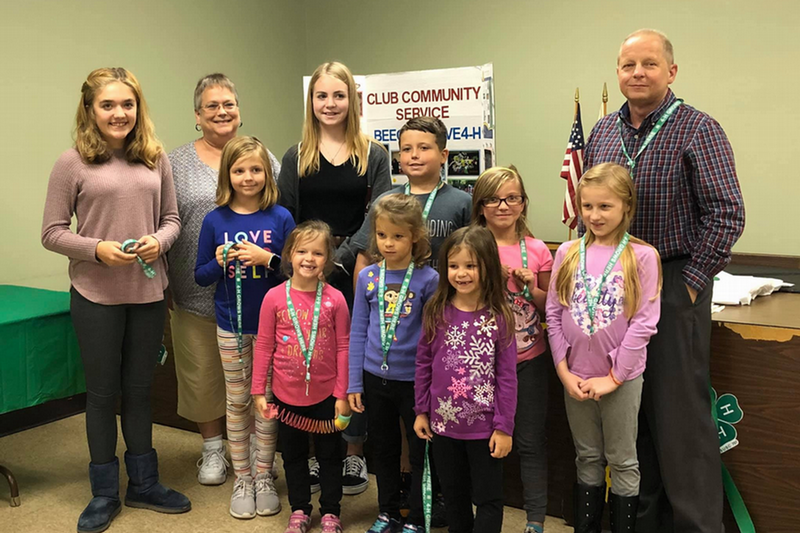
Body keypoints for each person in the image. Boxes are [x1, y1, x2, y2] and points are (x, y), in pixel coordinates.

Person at [582, 29, 745, 533]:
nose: (637, 73)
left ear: (670, 71)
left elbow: (726, 214)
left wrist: (689, 284)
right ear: (618, 72)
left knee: (678, 418)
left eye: (649, 64)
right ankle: (644, 523)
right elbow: (591, 208)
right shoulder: (604, 131)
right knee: (630, 417)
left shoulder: (699, 129)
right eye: (628, 65)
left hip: (674, 280)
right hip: (612, 283)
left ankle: (697, 525)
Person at [41, 67, 190, 533]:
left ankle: (144, 483)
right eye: (108, 105)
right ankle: (104, 491)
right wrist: (97, 250)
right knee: (104, 395)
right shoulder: (73, 163)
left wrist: (159, 243)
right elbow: (51, 232)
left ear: (138, 108)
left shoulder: (155, 158)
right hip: (95, 295)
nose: (119, 113)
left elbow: (171, 218)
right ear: (90, 110)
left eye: (128, 104)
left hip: (148, 293)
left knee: (141, 391)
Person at [278, 61, 392, 495]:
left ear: (352, 100)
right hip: (306, 269)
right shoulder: (296, 155)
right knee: (310, 356)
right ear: (312, 102)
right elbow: (287, 214)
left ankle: (352, 454)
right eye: (322, 96)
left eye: (338, 95)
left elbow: (378, 212)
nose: (330, 104)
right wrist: (310, 261)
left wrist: (339, 259)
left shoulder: (373, 152)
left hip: (355, 266)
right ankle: (311, 450)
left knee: (351, 360)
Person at [167, 73, 281, 487]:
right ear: (198, 115)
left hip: (255, 298)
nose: (221, 111)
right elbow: (163, 219)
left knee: (255, 380)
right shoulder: (174, 162)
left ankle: (252, 452)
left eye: (228, 103)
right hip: (195, 289)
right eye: (212, 106)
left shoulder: (264, 157)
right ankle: (212, 449)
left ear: (239, 110)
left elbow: (278, 216)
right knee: (203, 377)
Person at [546, 163, 662, 533]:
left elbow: (644, 322)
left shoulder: (642, 257)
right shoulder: (567, 251)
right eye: (587, 207)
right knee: (587, 456)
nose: (594, 215)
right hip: (574, 377)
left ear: (626, 207)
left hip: (620, 380)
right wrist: (564, 371)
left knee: (622, 459)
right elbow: (553, 311)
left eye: (605, 207)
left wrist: (613, 377)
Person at [194, 136, 294, 519]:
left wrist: (266, 257)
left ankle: (266, 474)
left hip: (275, 329)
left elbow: (297, 270)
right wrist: (219, 262)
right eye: (239, 170)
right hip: (231, 326)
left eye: (255, 169)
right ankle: (244, 477)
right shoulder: (215, 219)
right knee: (237, 402)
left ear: (267, 173)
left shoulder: (281, 217)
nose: (248, 177)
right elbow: (200, 277)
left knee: (266, 402)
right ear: (228, 175)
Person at [414, 226, 518, 533]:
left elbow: (507, 376)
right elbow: (423, 363)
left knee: (488, 499)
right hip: (443, 426)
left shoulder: (500, 316)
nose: (462, 273)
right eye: (454, 266)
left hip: (485, 428)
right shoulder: (436, 310)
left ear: (487, 265)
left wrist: (504, 427)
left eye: (471, 266)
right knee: (455, 496)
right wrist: (421, 410)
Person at [252, 220, 352, 533]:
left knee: (330, 457)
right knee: (293, 457)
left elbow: (344, 348)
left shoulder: (336, 299)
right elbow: (264, 346)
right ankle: (299, 509)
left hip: (326, 397)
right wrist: (258, 391)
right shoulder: (274, 298)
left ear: (328, 259)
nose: (309, 258)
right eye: (302, 251)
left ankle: (331, 512)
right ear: (289, 256)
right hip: (285, 395)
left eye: (318, 253)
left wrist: (342, 394)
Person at [348, 194, 439, 533]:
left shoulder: (428, 280)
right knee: (383, 449)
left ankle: (416, 517)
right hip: (374, 378)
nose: (388, 243)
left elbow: (432, 339)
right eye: (382, 235)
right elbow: (358, 330)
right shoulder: (368, 277)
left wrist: (429, 386)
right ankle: (386, 512)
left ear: (415, 236)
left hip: (413, 381)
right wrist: (354, 382)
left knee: (418, 453)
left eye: (398, 236)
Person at [471, 165, 552, 533]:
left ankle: (534, 520)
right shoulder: (470, 243)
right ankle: (486, 514)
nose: (504, 206)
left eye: (512, 198)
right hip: (480, 363)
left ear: (523, 203)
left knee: (530, 441)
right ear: (481, 205)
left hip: (528, 359)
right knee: (482, 441)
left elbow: (548, 305)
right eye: (494, 199)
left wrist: (528, 286)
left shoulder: (536, 250)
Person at [352, 116, 472, 274]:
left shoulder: (462, 202)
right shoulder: (385, 202)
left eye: (424, 148)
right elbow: (364, 260)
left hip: (445, 295)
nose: (414, 155)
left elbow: (476, 255)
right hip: (393, 296)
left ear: (443, 155)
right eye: (407, 149)